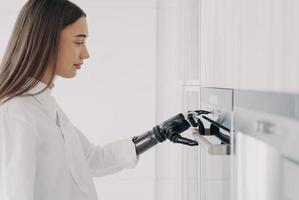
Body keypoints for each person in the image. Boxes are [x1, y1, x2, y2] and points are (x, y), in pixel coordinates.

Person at [0, 0, 198, 200]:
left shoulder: (45, 105)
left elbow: (91, 159)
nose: (85, 53)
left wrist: (158, 133)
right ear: (45, 40)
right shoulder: (15, 113)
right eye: (78, 41)